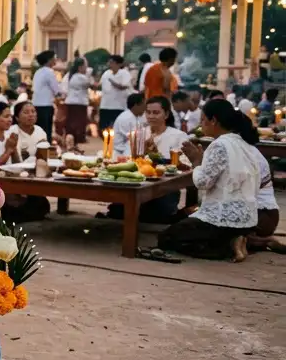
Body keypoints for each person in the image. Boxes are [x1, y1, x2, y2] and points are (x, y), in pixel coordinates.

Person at [157, 100, 261, 262]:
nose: (201, 125)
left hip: (223, 219)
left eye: (203, 120)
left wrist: (197, 162)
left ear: (214, 121)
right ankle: (239, 240)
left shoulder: (219, 144)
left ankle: (228, 246)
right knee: (189, 228)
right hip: (248, 219)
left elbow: (202, 182)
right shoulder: (245, 144)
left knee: (167, 238)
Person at [105, 96, 191, 224]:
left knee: (155, 214)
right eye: (148, 112)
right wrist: (139, 155)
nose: (151, 116)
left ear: (166, 114)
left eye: (156, 113)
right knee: (117, 209)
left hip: (164, 190)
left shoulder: (178, 136)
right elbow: (128, 161)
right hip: (137, 185)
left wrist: (156, 156)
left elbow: (185, 166)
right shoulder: (139, 134)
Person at [247, 149, 284, 254]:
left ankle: (259, 241)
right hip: (266, 217)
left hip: (262, 216)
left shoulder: (242, 152)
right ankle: (259, 241)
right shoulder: (250, 150)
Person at [30, 51, 61, 137]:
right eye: (54, 58)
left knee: (38, 131)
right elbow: (56, 90)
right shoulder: (49, 72)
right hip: (45, 106)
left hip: (36, 105)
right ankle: (46, 149)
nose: (55, 59)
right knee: (46, 132)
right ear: (49, 60)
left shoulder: (37, 72)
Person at [63, 57, 92, 146]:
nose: (86, 68)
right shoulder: (81, 77)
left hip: (70, 102)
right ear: (80, 67)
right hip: (79, 103)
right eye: (85, 66)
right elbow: (91, 84)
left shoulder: (69, 75)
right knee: (79, 125)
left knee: (71, 124)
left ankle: (71, 143)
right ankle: (76, 142)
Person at [98, 55, 132, 132]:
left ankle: (114, 143)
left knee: (117, 128)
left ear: (119, 64)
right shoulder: (106, 73)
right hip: (105, 105)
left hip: (119, 106)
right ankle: (107, 143)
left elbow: (123, 86)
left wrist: (113, 82)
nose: (110, 64)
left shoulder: (124, 73)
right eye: (109, 62)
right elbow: (99, 85)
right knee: (104, 128)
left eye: (112, 63)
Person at [112, 93, 148, 157]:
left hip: (126, 150)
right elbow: (136, 139)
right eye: (144, 105)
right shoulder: (127, 118)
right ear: (136, 105)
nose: (145, 108)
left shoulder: (133, 116)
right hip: (121, 153)